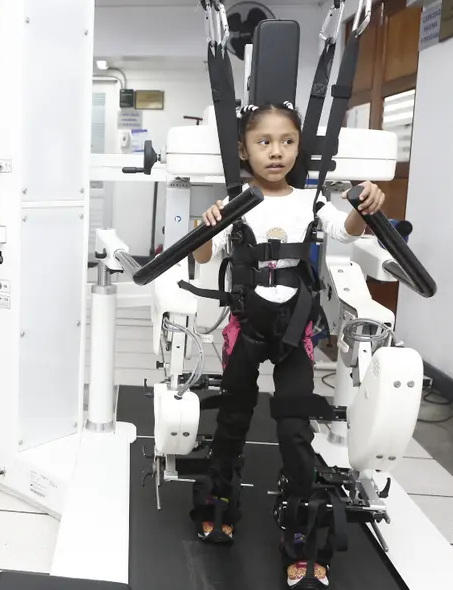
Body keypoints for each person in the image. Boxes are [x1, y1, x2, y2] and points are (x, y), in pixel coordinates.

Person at [189, 101, 385, 589]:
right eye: (263, 142)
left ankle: (300, 531)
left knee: (294, 428)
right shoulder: (234, 201)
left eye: (287, 141)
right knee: (233, 417)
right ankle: (219, 501)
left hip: (295, 330)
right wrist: (205, 225)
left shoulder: (313, 201)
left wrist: (365, 209)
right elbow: (202, 254)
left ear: (299, 147)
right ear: (244, 149)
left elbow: (348, 229)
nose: (276, 152)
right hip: (247, 327)